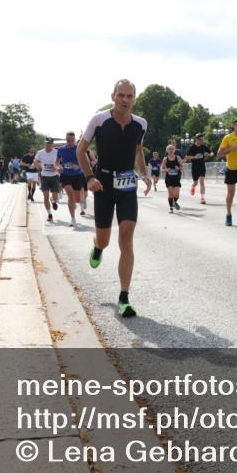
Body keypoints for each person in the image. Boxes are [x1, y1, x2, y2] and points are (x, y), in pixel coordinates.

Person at [78, 79, 151, 318]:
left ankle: (124, 297)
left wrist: (145, 173)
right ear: (113, 96)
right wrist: (89, 178)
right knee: (105, 240)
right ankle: (97, 248)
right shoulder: (99, 120)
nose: (125, 100)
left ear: (134, 99)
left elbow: (138, 150)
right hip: (103, 185)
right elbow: (81, 150)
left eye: (129, 96)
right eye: (121, 95)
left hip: (128, 185)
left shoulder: (141, 123)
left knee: (127, 238)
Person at [58, 132, 87, 226]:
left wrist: (78, 166)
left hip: (77, 175)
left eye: (71, 140)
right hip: (65, 175)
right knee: (70, 195)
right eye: (68, 140)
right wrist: (58, 167)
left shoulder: (79, 148)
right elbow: (57, 161)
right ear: (65, 139)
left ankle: (78, 202)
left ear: (74, 140)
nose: (69, 142)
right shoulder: (61, 149)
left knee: (77, 199)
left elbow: (85, 161)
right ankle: (73, 219)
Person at [33, 139, 62, 223]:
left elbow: (58, 163)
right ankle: (49, 214)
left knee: (55, 196)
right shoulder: (40, 152)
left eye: (49, 143)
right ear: (44, 143)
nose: (47, 145)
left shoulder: (56, 152)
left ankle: (53, 200)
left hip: (54, 176)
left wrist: (56, 167)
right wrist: (37, 165)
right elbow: (36, 161)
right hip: (44, 177)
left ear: (52, 144)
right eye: (46, 143)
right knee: (45, 196)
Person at [185, 133, 213, 204]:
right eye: (200, 139)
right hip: (194, 167)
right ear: (196, 139)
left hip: (202, 167)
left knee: (202, 181)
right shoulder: (192, 147)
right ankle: (193, 187)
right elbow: (187, 157)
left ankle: (202, 198)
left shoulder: (203, 147)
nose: (202, 141)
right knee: (195, 182)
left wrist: (209, 154)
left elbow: (212, 153)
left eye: (202, 139)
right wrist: (194, 157)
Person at [161, 144, 183, 212]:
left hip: (176, 178)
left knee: (176, 194)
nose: (171, 150)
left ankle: (174, 202)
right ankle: (171, 208)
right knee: (170, 194)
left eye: (172, 149)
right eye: (169, 149)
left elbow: (182, 167)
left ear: (174, 150)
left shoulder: (178, 158)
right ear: (167, 150)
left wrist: (178, 168)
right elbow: (161, 169)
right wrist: (166, 170)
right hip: (169, 179)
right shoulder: (165, 159)